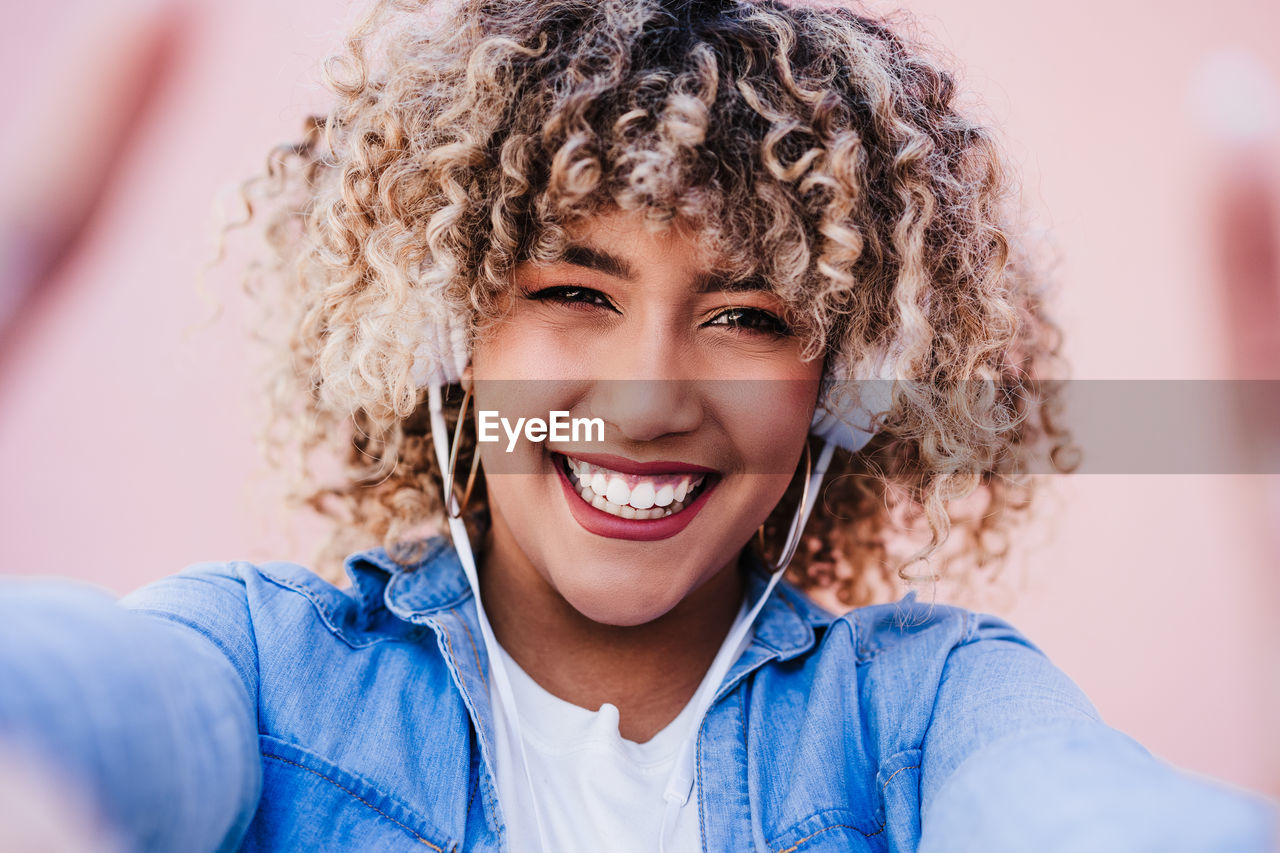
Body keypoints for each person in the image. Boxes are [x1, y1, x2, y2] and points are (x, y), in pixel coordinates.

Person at [0, 0, 1275, 850]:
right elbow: (78, 702)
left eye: (747, 316)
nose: (650, 400)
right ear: (449, 341)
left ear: (845, 389)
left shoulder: (925, 711)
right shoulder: (264, 669)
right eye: (571, 291)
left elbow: (1081, 813)